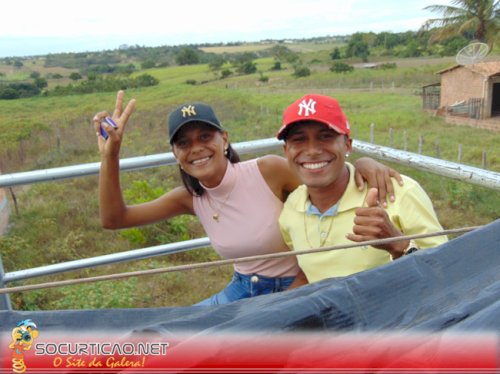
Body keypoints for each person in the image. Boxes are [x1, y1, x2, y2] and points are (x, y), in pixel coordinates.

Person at [93, 90, 402, 305]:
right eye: (184, 143)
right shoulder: (189, 198)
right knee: (176, 338)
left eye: (205, 137)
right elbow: (114, 219)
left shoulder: (267, 171)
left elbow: (325, 177)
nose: (196, 148)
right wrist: (112, 155)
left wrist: (362, 163)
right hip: (242, 288)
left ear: (224, 139)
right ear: (175, 154)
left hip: (297, 287)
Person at [278, 94, 448, 287]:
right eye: (299, 140)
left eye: (325, 137)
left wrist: (399, 245)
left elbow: (446, 273)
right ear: (286, 152)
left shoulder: (398, 192)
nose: (312, 150)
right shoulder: (291, 208)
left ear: (347, 145)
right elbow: (307, 272)